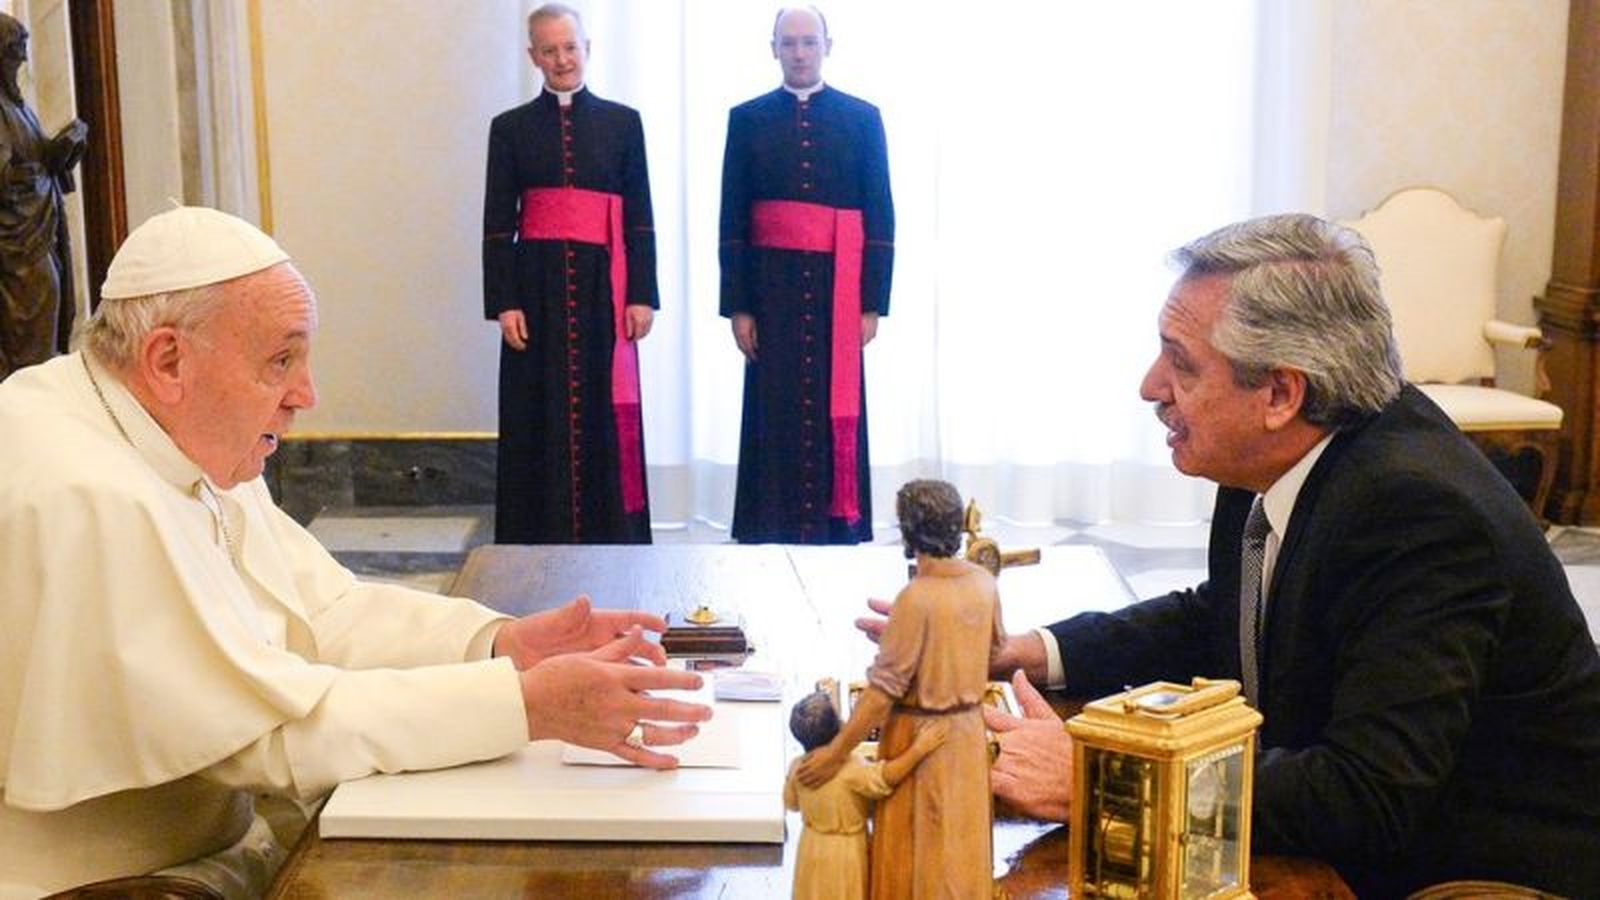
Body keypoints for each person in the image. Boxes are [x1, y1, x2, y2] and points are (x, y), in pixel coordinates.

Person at [856, 214, 1600, 897]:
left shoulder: (1417, 510)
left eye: (1181, 365)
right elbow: (1226, 614)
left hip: (1481, 874)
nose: (1151, 387)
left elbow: (1367, 793)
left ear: (1279, 392)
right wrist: (1021, 652)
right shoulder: (1291, 448)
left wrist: (1099, 779)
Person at [0, 206, 711, 897]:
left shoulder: (177, 427)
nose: (306, 394)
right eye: (281, 361)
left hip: (223, 842)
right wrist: (523, 706)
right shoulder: (86, 492)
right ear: (167, 359)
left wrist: (500, 644)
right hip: (124, 881)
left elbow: (325, 609)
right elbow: (268, 737)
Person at [483, 2, 658, 544]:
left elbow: (640, 216)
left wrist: (642, 295)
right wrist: (504, 302)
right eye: (550, 50)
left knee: (604, 413)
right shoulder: (509, 129)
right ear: (533, 56)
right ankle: (538, 535)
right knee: (539, 412)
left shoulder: (623, 123)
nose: (562, 59)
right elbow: (496, 222)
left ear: (588, 49)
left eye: (570, 47)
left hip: (604, 289)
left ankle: (612, 536)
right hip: (535, 293)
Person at [719, 5, 894, 544]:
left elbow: (881, 213)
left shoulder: (862, 118)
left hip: (836, 290)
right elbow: (732, 217)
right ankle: (768, 524)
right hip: (770, 288)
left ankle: (835, 527)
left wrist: (871, 301)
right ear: (773, 48)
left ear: (827, 46)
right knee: (772, 407)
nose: (799, 53)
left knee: (833, 400)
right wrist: (739, 305)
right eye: (788, 43)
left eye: (808, 43)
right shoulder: (746, 118)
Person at [799, 479, 1001, 898]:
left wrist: (834, 755)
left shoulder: (916, 598)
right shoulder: (985, 584)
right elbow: (997, 648)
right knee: (962, 854)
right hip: (967, 736)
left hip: (918, 736)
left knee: (917, 863)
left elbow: (880, 694)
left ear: (910, 531)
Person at [784, 690, 946, 900]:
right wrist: (920, 748)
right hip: (846, 852)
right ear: (841, 728)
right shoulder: (852, 769)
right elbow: (887, 776)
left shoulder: (797, 767)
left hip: (811, 845)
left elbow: (792, 804)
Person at [0, 12, 86, 381]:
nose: (20, 61)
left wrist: (58, 153)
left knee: (51, 324)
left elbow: (31, 158)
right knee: (26, 341)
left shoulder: (19, 107)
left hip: (39, 232)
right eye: (14, 52)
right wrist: (38, 167)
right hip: (17, 244)